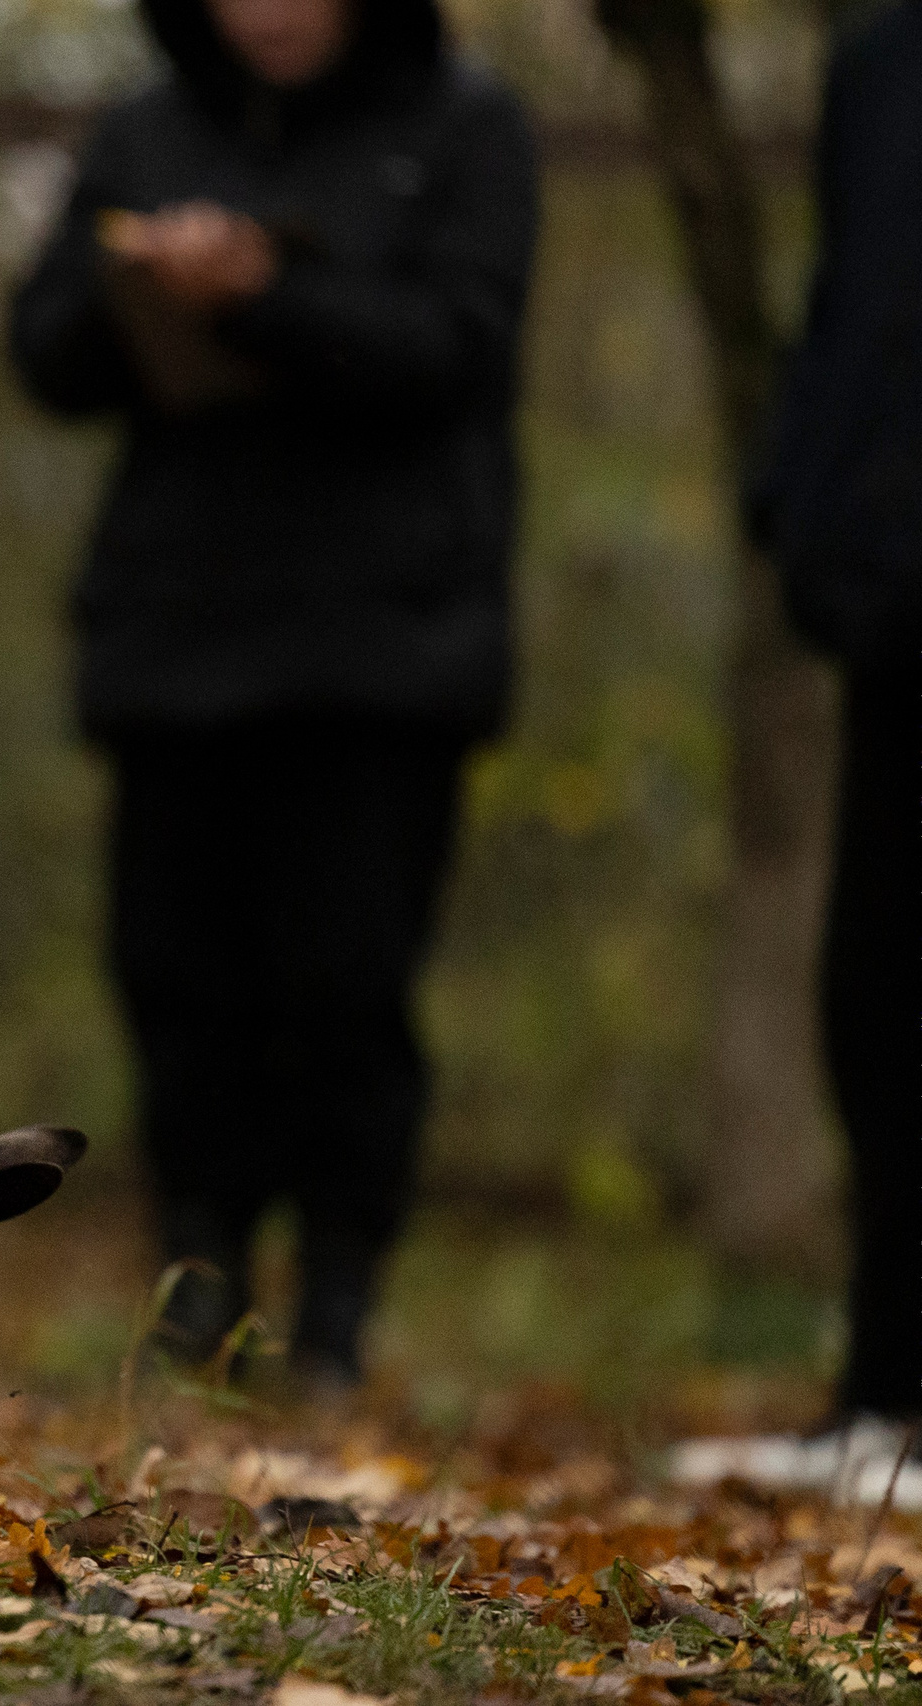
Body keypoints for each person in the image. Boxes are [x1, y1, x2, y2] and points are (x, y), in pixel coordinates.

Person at [8, 0, 538, 1385]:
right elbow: (46, 345)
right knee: (178, 977)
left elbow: (458, 351)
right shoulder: (144, 132)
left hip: (386, 649)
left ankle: (339, 1305)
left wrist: (268, 297)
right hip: (177, 637)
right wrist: (153, 290)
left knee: (347, 984)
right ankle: (200, 1281)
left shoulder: (466, 130)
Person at [672, 0, 920, 1501]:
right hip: (891, 599)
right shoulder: (881, 65)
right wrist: (797, 499)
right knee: (883, 1001)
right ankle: (886, 1401)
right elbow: (852, 306)